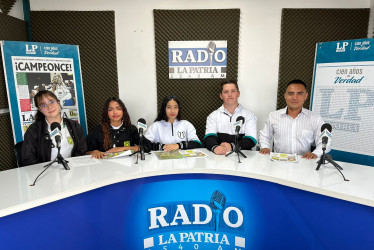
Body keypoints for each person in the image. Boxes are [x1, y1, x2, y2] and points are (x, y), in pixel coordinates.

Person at [259, 79, 330, 159]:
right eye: (290, 93)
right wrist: (265, 147)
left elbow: (324, 143)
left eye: (299, 94)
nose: (294, 97)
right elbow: (264, 136)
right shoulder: (273, 116)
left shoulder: (315, 119)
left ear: (305, 96)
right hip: (278, 162)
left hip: (304, 162)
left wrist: (316, 154)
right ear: (285, 95)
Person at [22, 90, 87, 166]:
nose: (49, 107)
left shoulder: (74, 126)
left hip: (71, 170)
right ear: (40, 110)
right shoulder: (33, 130)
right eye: (43, 105)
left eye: (51, 102)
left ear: (58, 103)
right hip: (45, 173)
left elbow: (81, 152)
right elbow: (28, 159)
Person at [204, 80, 257, 155]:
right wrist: (216, 147)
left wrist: (232, 146)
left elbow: (251, 140)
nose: (230, 94)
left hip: (243, 157)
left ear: (238, 94)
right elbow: (209, 137)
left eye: (233, 91)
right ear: (221, 96)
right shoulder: (213, 116)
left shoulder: (249, 115)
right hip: (220, 156)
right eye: (226, 92)